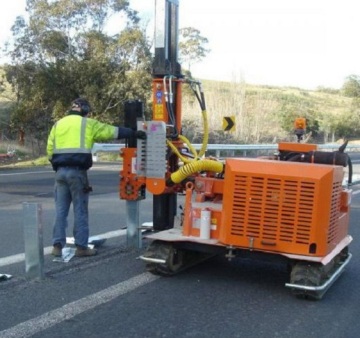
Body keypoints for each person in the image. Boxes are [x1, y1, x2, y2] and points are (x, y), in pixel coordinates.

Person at [46, 98, 146, 257]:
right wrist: (134, 133)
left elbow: (50, 148)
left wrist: (56, 165)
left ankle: (57, 247)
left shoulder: (58, 124)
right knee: (80, 210)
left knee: (60, 211)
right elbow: (111, 131)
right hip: (77, 172)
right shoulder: (87, 124)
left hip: (60, 172)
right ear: (84, 109)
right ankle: (81, 247)